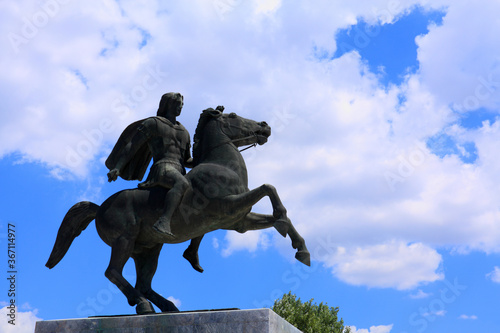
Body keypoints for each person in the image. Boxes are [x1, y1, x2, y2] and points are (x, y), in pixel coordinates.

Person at [106, 92, 192, 237]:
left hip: (180, 169)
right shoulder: (154, 123)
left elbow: (187, 160)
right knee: (182, 184)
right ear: (167, 104)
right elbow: (132, 145)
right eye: (177, 104)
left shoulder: (184, 132)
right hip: (163, 167)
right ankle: (163, 221)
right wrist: (118, 167)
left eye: (182, 105)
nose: (180, 107)